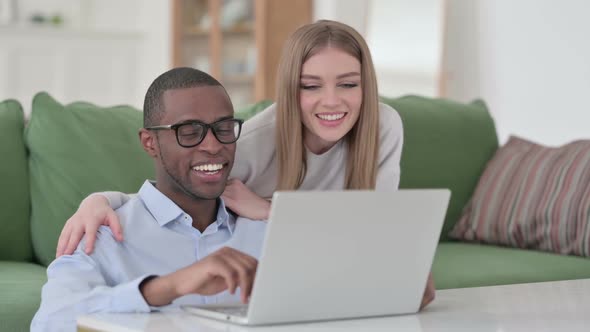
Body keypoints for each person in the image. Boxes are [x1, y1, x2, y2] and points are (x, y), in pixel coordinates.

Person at [55, 20, 436, 309]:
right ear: (291, 88)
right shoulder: (248, 144)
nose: (332, 101)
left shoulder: (383, 126)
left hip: (308, 245)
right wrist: (100, 201)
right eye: (311, 85)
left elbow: (385, 237)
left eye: (349, 84)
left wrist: (271, 212)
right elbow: (176, 194)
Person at [31, 68, 267, 332]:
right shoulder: (101, 234)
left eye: (223, 128)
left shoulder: (264, 232)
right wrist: (166, 287)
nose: (212, 146)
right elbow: (49, 321)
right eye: (189, 132)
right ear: (149, 142)